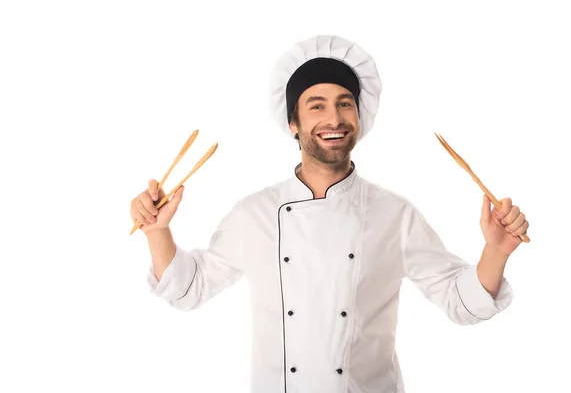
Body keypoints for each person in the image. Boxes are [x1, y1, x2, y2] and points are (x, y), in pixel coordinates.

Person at [129, 35, 529, 393]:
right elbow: (189, 288)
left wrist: (496, 250)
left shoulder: (395, 215)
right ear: (293, 123)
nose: (334, 119)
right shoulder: (255, 214)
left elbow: (462, 302)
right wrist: (157, 232)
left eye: (345, 104)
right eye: (315, 105)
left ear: (359, 116)